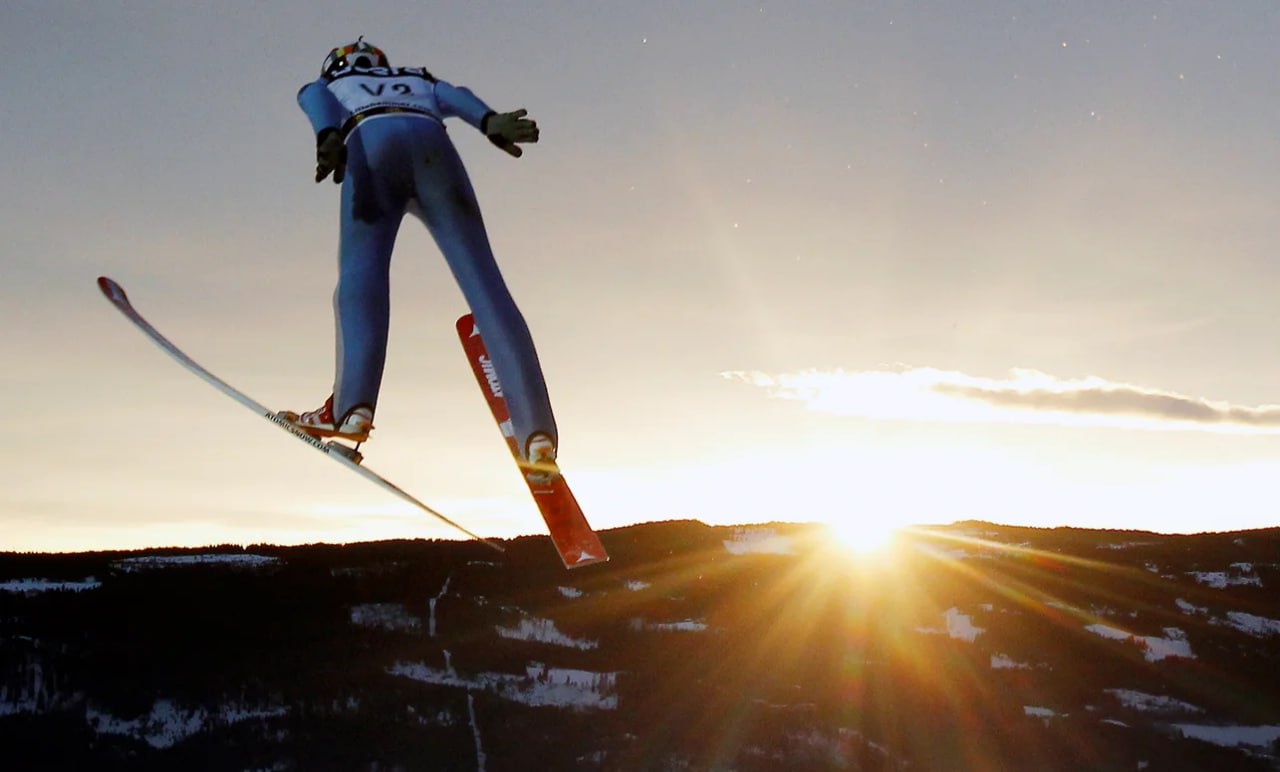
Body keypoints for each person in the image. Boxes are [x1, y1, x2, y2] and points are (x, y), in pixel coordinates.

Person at [279, 38, 558, 481]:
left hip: (370, 143)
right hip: (434, 149)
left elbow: (316, 100)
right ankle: (536, 432)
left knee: (362, 272)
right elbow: (456, 95)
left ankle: (352, 408)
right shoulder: (415, 77)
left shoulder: (331, 81)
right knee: (486, 285)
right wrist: (489, 121)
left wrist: (328, 135)